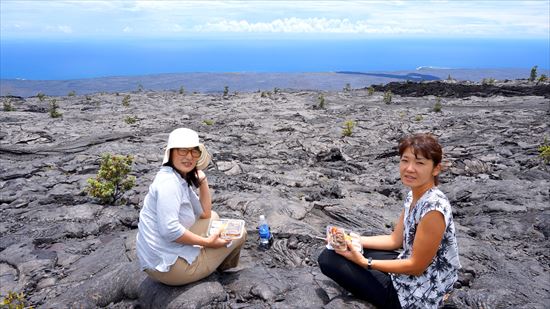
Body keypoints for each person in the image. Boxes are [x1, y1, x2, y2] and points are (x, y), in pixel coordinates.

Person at [318, 133, 460, 308]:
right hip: (413, 272)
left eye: (420, 163)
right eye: (405, 160)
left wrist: (364, 263)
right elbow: (395, 240)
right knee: (345, 248)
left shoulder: (434, 209)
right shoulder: (415, 195)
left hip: (417, 295)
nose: (409, 168)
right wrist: (351, 239)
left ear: (436, 169)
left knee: (328, 259)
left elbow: (417, 267)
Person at [136, 127, 247, 286]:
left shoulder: (175, 177)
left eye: (194, 152)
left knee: (214, 218)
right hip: (169, 268)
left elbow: (205, 214)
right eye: (182, 151)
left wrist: (203, 182)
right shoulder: (169, 184)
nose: (189, 157)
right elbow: (170, 230)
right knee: (240, 233)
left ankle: (212, 258)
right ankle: (219, 265)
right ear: (171, 153)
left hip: (159, 256)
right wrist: (208, 243)